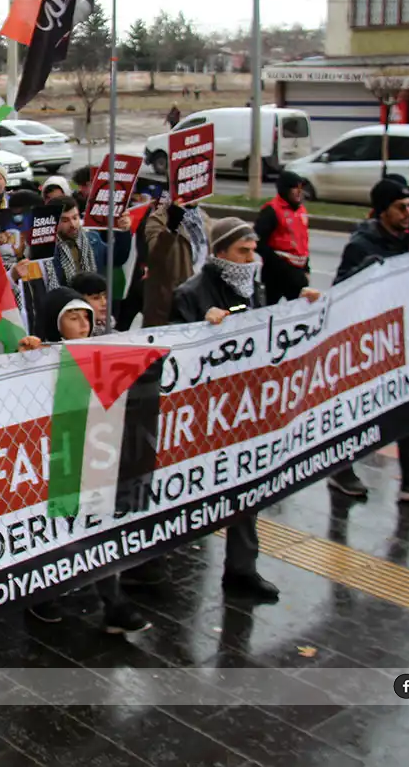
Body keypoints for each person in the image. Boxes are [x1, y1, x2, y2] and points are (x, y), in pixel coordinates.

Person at [171, 218, 322, 601]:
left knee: (245, 488)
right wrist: (202, 327)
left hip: (243, 407)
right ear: (221, 252)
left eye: (254, 250)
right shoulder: (192, 292)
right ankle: (156, 565)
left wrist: (303, 311)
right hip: (203, 411)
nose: (251, 257)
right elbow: (174, 350)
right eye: (243, 250)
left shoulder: (252, 286)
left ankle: (242, 568)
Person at [26, 287, 153, 633]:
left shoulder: (102, 352)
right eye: (73, 317)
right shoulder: (35, 355)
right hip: (50, 456)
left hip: (91, 447)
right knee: (52, 527)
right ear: (54, 321)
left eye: (86, 317)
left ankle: (114, 603)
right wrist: (27, 358)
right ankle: (41, 597)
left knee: (96, 523)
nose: (84, 325)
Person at [330, 179, 409, 504]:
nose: (408, 213)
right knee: (357, 410)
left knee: (405, 403)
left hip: (398, 339)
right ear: (383, 211)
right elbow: (340, 291)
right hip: (366, 345)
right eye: (401, 208)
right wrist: (365, 274)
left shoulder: (407, 240)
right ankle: (341, 470)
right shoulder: (362, 244)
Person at [43, 196, 131, 298]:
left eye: (75, 218)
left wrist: (123, 231)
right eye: (65, 220)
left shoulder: (92, 239)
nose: (73, 224)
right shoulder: (45, 250)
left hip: (92, 303)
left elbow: (117, 258)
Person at [142, 198, 211, 327]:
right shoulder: (159, 218)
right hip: (170, 305)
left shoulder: (203, 218)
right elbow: (155, 259)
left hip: (200, 301)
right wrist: (170, 228)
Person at [254, 170, 311, 302]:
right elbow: (258, 241)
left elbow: (303, 241)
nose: (299, 192)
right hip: (276, 272)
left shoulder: (301, 211)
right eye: (295, 188)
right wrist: (278, 263)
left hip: (298, 271)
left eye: (301, 188)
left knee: (300, 310)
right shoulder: (271, 210)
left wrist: (306, 268)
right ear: (285, 189)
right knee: (269, 312)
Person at [69, 271, 111, 336]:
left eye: (106, 297)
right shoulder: (73, 335)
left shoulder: (111, 329)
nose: (104, 303)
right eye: (96, 298)